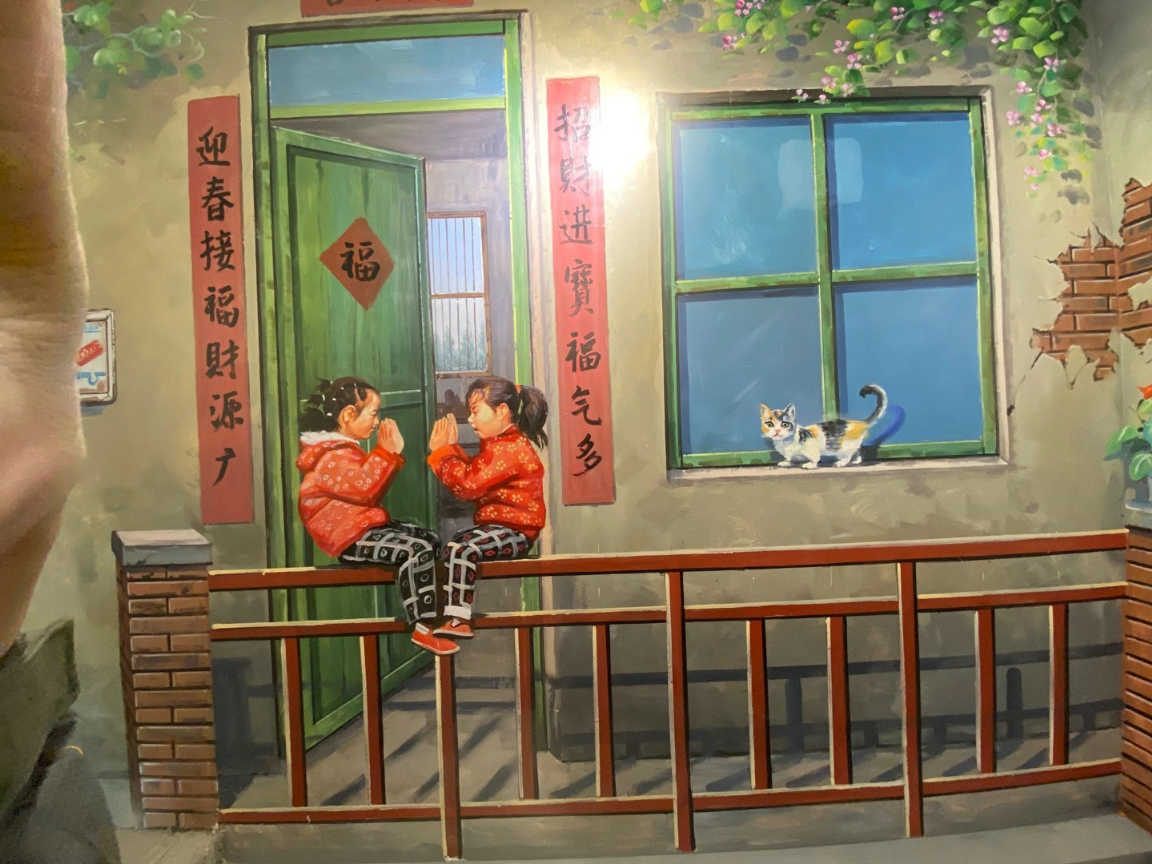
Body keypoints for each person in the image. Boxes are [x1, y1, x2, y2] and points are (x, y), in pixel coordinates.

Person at [297, 377, 457, 656]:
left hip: (362, 525)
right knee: (417, 549)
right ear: (348, 415)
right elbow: (365, 489)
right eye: (373, 413)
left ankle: (439, 612)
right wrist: (387, 452)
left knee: (429, 538)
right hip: (348, 537)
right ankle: (423, 627)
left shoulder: (342, 448)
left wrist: (386, 454)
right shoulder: (330, 455)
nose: (377, 421)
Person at [426, 376, 548, 639]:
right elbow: (476, 476)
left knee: (460, 549)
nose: (470, 420)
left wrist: (442, 454)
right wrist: (451, 450)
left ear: (502, 411)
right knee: (455, 546)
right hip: (501, 528)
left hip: (515, 532)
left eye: (475, 411)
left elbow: (469, 485)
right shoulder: (500, 445)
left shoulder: (509, 449)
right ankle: (443, 616)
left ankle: (458, 620)